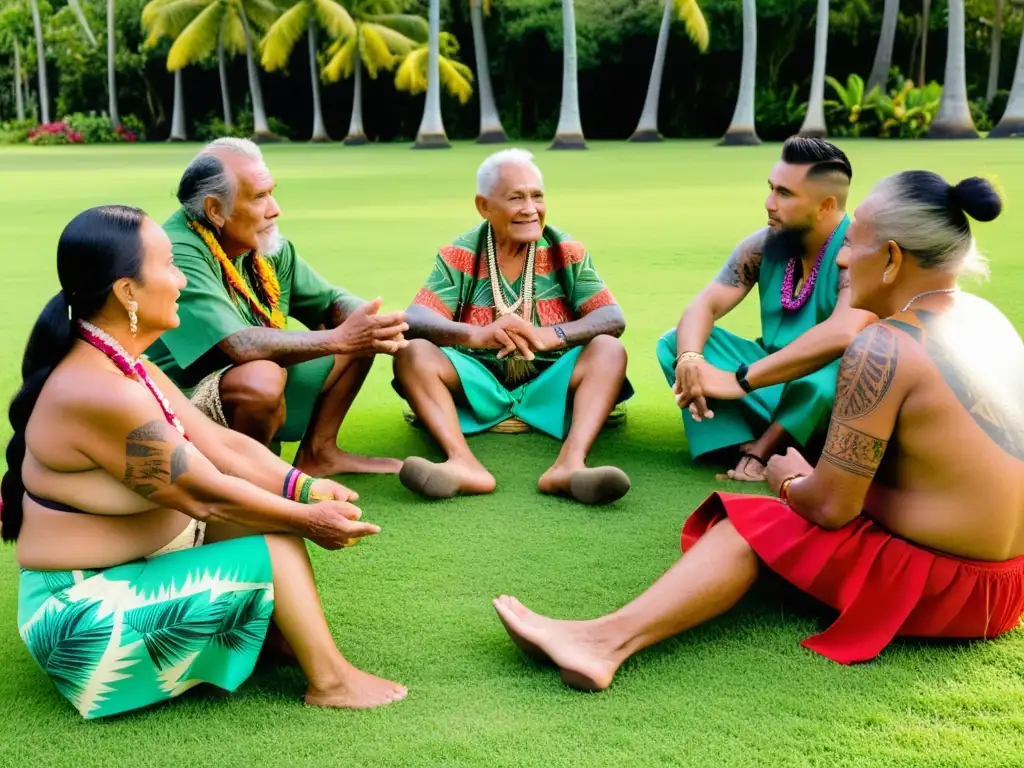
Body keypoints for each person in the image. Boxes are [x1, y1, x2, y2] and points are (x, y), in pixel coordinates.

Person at [494, 171, 1024, 688]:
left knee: (752, 525)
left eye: (855, 241)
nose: (841, 256)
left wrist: (790, 478)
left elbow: (829, 508)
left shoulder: (883, 345)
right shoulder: (988, 318)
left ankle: (601, 644)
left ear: (890, 258)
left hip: (954, 589)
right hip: (1010, 587)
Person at [4, 205, 408, 719]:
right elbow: (201, 492)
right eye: (170, 267)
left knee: (259, 520)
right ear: (128, 291)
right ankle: (331, 682)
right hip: (82, 626)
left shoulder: (126, 364)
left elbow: (221, 444)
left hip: (120, 578)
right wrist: (306, 520)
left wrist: (303, 488)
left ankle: (286, 641)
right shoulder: (99, 392)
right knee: (270, 540)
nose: (181, 281)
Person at [144, 137, 408, 479]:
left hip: (258, 375)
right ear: (214, 210)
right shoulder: (177, 250)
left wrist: (387, 327)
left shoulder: (264, 244)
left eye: (271, 192)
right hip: (183, 401)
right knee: (262, 376)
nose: (275, 208)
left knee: (362, 328)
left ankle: (319, 454)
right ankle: (249, 477)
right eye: (259, 197)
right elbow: (239, 346)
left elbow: (331, 303)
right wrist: (341, 338)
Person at [392, 149, 633, 504]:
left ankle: (570, 465)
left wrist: (554, 336)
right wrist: (476, 335)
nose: (530, 209)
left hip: (553, 380)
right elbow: (415, 319)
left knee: (610, 351)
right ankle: (462, 464)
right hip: (476, 383)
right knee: (411, 353)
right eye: (516, 198)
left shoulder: (566, 249)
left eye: (537, 196)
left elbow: (612, 319)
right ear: (484, 206)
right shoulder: (459, 252)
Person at [657, 137, 876, 482]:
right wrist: (689, 360)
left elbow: (843, 333)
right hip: (772, 382)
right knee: (674, 343)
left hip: (831, 397)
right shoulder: (763, 245)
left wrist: (740, 381)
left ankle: (767, 447)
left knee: (829, 375)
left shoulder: (859, 252)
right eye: (771, 188)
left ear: (825, 206)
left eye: (784, 194)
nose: (769, 203)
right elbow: (703, 306)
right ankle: (742, 442)